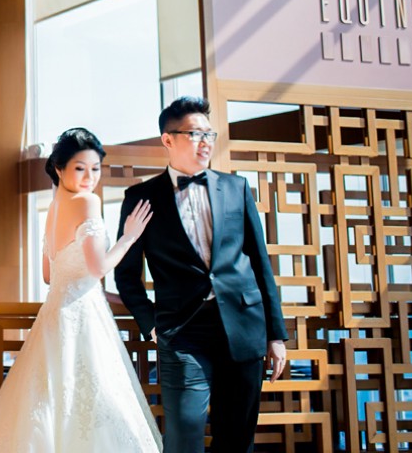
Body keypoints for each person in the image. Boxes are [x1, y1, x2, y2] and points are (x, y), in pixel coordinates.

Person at [114, 96, 288, 453]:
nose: (205, 142)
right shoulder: (141, 197)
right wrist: (151, 323)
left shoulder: (236, 188)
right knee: (184, 434)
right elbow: (126, 274)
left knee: (236, 438)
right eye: (195, 134)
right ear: (168, 139)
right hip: (182, 333)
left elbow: (260, 263)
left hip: (243, 326)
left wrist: (275, 334)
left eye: (210, 134)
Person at [0, 127, 161, 452]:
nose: (90, 178)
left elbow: (49, 275)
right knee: (96, 407)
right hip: (84, 319)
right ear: (59, 169)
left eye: (95, 168)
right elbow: (98, 268)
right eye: (80, 168)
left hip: (53, 317)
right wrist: (130, 236)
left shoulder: (53, 208)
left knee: (50, 405)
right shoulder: (87, 202)